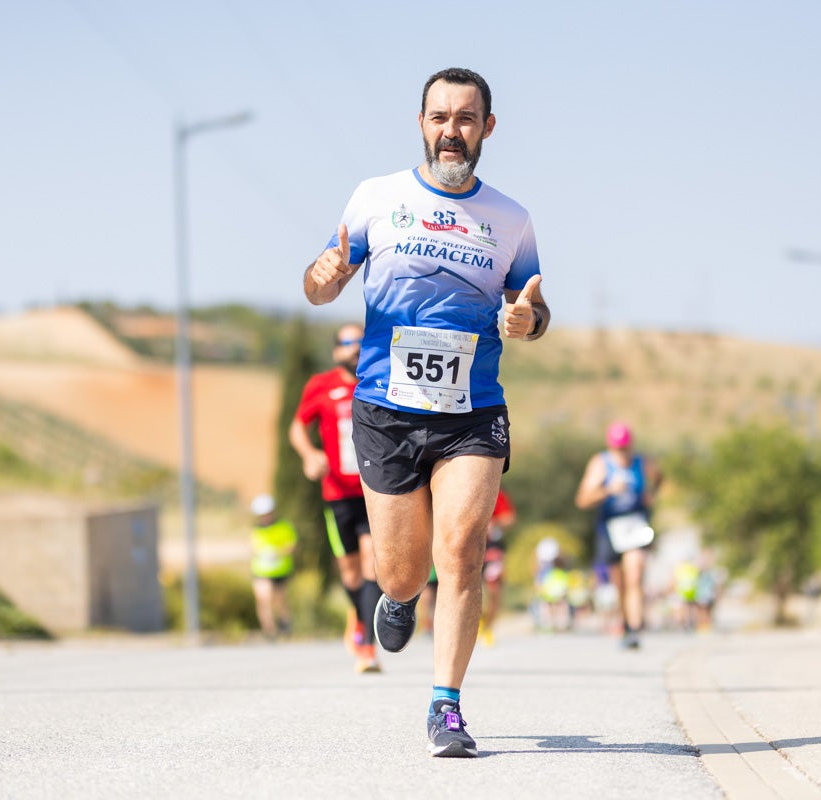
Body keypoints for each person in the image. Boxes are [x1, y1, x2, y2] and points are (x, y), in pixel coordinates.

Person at [302, 67, 549, 758]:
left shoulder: (510, 220)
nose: (451, 130)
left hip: (473, 411)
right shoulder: (376, 198)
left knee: (462, 550)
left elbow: (532, 312)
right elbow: (324, 281)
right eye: (439, 116)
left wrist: (527, 319)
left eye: (465, 118)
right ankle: (402, 597)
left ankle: (446, 707)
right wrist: (319, 280)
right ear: (421, 122)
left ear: (486, 129)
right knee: (403, 571)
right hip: (385, 410)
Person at [288, 322, 382, 674]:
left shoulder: (378, 380)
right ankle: (357, 617)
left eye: (361, 340)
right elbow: (298, 425)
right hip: (337, 493)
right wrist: (309, 455)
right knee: (350, 572)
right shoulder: (321, 385)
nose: (355, 347)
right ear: (335, 351)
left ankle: (367, 647)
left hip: (375, 490)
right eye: (348, 342)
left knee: (373, 563)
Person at [574, 421, 662, 650]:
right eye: (618, 448)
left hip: (636, 525)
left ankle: (635, 627)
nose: (622, 453)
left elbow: (660, 477)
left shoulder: (642, 463)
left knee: (635, 574)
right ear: (610, 446)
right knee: (620, 582)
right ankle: (625, 623)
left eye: (625, 448)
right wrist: (607, 490)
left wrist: (651, 494)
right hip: (610, 528)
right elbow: (583, 500)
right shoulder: (601, 464)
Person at [248, 494, 297, 640]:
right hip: (261, 570)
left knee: (279, 599)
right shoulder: (256, 530)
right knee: (264, 598)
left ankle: (285, 622)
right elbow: (251, 548)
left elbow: (292, 545)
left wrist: (278, 553)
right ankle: (269, 631)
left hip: (280, 570)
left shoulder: (284, 526)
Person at [478, 487, 515, 646]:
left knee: (494, 591)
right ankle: (473, 624)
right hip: (468, 547)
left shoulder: (496, 492)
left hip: (492, 549)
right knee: (467, 589)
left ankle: (488, 627)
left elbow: (510, 518)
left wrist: (494, 521)